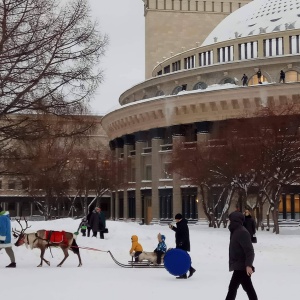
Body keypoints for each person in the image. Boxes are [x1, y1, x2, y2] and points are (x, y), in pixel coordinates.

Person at [225, 211, 258, 300]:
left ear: (234, 220)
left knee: (232, 288)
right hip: (239, 264)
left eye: (230, 220)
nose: (229, 221)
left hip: (241, 266)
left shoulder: (242, 232)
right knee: (248, 288)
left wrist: (248, 265)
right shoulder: (236, 231)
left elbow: (250, 250)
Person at [169, 213, 196, 279]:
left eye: (176, 219)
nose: (175, 220)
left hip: (182, 244)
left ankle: (186, 272)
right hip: (181, 244)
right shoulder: (181, 223)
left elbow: (184, 235)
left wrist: (181, 242)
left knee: (182, 259)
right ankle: (187, 271)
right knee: (182, 258)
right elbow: (179, 231)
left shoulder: (182, 224)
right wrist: (173, 228)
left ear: (178, 218)